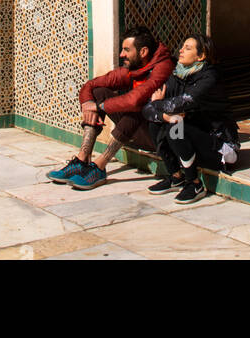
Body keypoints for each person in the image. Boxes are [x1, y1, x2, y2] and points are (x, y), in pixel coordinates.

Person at [47, 26, 174, 191]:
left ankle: (99, 167)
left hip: (163, 136)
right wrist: (88, 105)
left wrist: (100, 106)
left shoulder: (162, 67)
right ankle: (82, 159)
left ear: (143, 52)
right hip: (140, 128)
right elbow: (90, 86)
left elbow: (135, 100)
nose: (122, 55)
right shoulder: (135, 68)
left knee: (136, 108)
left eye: (126, 50)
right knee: (98, 92)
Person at [142, 34, 239, 204]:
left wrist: (158, 104)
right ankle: (175, 177)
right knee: (157, 123)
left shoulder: (209, 77)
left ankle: (194, 183)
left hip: (220, 145)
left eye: (188, 48)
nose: (181, 50)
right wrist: (162, 114)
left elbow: (182, 103)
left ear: (201, 56)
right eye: (182, 46)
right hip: (196, 138)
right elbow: (148, 108)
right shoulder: (178, 74)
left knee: (176, 127)